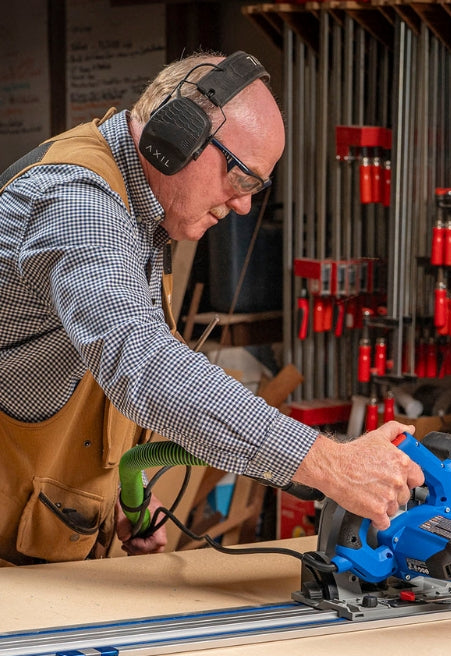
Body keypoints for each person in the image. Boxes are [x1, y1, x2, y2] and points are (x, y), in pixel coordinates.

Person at [0, 51, 423, 566]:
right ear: (178, 137)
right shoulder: (77, 203)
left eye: (256, 188)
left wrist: (112, 492)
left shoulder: (140, 213)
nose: (243, 204)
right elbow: (142, 365)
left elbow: (80, 373)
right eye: (242, 178)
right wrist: (330, 465)